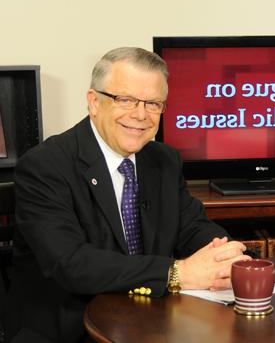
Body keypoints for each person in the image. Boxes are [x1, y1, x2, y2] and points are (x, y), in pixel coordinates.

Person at [6, 47, 251, 342]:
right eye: (125, 99)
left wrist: (229, 258)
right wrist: (177, 273)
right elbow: (72, 264)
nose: (140, 115)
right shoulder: (45, 165)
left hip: (151, 321)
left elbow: (193, 228)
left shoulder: (163, 160)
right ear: (94, 102)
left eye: (153, 103)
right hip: (70, 329)